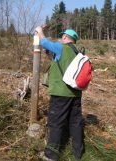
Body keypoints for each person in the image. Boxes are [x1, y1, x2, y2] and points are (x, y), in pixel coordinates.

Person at [35, 26, 84, 161]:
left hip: (61, 94)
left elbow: (44, 42)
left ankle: (50, 156)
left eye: (62, 36)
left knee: (56, 123)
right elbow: (63, 65)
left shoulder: (61, 47)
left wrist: (39, 31)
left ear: (65, 38)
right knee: (75, 123)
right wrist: (51, 56)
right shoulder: (77, 53)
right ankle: (78, 154)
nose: (61, 38)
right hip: (76, 94)